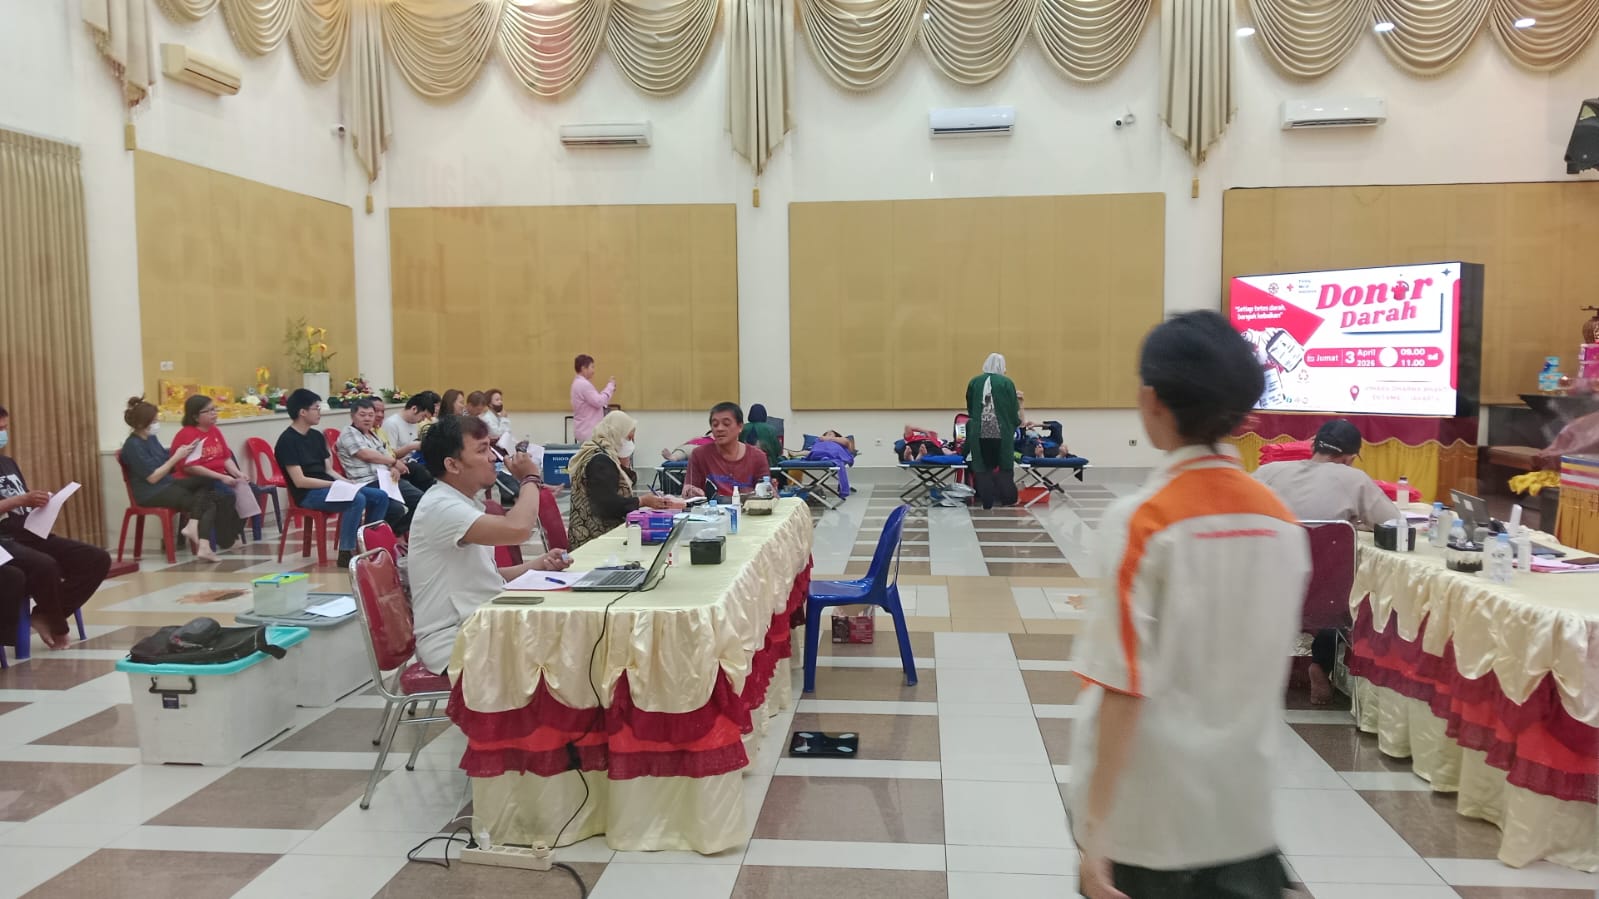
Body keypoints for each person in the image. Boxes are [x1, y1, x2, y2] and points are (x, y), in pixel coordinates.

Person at [1071, 311, 1309, 899]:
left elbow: (1123, 687)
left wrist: (1095, 834)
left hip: (1149, 825)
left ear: (1151, 399)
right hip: (1245, 819)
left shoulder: (1141, 521)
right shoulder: (1282, 523)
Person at [1254, 418, 1402, 705]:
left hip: (1267, 590)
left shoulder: (1269, 472)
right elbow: (1394, 524)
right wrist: (1356, 524)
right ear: (1349, 457)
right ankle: (1321, 665)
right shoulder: (1355, 480)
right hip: (1327, 603)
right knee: (1341, 589)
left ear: (1313, 446)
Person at [409, 414, 571, 674]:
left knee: (572, 635)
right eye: (482, 450)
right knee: (571, 652)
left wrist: (539, 565)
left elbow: (488, 577)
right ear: (452, 464)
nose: (493, 458)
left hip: (482, 624)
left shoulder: (464, 501)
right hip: (456, 641)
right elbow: (518, 529)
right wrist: (530, 478)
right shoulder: (441, 506)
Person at [0, 402, 111, 650]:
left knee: (96, 559)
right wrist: (20, 500)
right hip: (4, 540)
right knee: (45, 565)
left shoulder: (7, 462)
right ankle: (58, 626)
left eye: (5, 428)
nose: (3, 434)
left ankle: (43, 614)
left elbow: (21, 500)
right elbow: (16, 501)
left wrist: (40, 503)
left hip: (29, 531)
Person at [274, 389, 390, 566]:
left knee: (380, 496)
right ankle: (346, 551)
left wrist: (346, 483)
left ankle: (368, 544)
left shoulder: (316, 436)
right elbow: (300, 481)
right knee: (356, 499)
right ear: (302, 412)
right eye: (316, 408)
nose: (319, 412)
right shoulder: (287, 441)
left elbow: (328, 470)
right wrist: (333, 485)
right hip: (307, 494)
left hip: (329, 487)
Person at [118, 397, 225, 562]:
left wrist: (186, 453)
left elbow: (166, 462)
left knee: (206, 480)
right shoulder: (132, 446)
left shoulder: (151, 439)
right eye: (154, 421)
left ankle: (193, 527)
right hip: (151, 492)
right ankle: (202, 544)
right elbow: (153, 478)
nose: (157, 424)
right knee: (209, 501)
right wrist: (176, 458)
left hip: (166, 483)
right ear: (141, 424)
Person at [567, 411, 684, 549]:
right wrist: (642, 501)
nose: (631, 443)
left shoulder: (602, 455)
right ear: (616, 434)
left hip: (598, 534)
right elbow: (607, 505)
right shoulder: (600, 461)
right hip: (594, 539)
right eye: (629, 438)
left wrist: (624, 465)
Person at [336, 399, 424, 535]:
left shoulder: (373, 435)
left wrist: (393, 467)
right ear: (352, 416)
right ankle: (375, 537)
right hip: (366, 482)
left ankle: (394, 533)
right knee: (397, 508)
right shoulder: (349, 432)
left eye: (370, 415)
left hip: (385, 480)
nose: (367, 418)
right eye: (362, 415)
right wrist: (393, 462)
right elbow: (365, 454)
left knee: (421, 500)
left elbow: (385, 455)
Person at [965, 354, 1021, 509]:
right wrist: (1015, 424)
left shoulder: (974, 381)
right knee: (1004, 466)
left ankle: (987, 502)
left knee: (983, 467)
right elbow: (1013, 408)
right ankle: (1008, 500)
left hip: (980, 430)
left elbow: (970, 406)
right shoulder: (1006, 382)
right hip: (1001, 430)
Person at [685, 402, 771, 499]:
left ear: (740, 427)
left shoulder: (758, 456)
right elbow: (689, 490)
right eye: (715, 425)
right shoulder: (699, 455)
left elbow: (766, 494)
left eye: (726, 424)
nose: (719, 429)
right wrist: (690, 491)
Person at [171, 394, 251, 491]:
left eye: (214, 409)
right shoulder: (187, 434)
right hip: (198, 481)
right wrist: (221, 477)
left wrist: (238, 474)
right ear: (195, 417)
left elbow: (225, 458)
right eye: (208, 411)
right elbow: (190, 467)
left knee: (249, 487)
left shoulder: (214, 430)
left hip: (220, 477)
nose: (214, 413)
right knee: (231, 493)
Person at [570, 354, 616, 443]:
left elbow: (596, 400)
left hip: (584, 431)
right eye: (592, 367)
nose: (593, 371)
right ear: (584, 368)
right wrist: (610, 387)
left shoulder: (577, 383)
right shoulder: (583, 384)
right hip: (589, 433)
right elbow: (599, 402)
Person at [383, 391, 437, 459]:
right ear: (414, 409)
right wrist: (411, 446)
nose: (423, 420)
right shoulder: (391, 424)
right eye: (424, 416)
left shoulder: (414, 422)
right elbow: (389, 454)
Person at [805, 430, 857, 497]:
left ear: (836, 435)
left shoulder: (841, 440)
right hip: (818, 455)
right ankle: (824, 456)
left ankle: (826, 456)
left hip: (834, 454)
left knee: (832, 452)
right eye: (827, 433)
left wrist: (828, 439)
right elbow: (811, 451)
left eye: (831, 433)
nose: (829, 433)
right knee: (817, 453)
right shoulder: (819, 441)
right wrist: (796, 453)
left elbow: (847, 443)